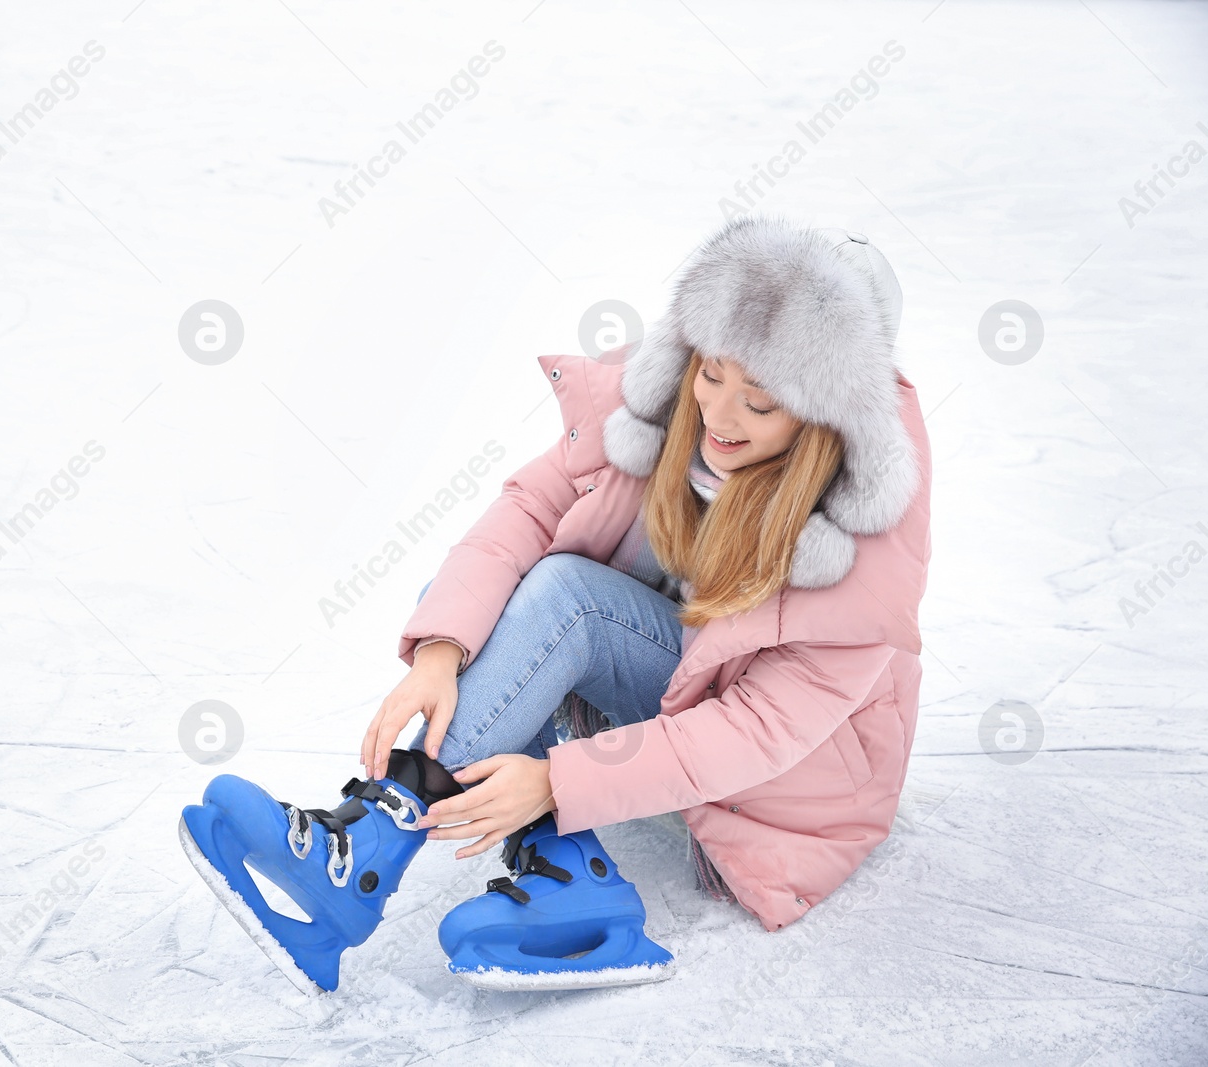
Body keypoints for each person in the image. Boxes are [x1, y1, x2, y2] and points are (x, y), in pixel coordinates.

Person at [181, 214, 932, 992]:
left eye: (762, 400)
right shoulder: (663, 413)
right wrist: (440, 653)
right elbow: (526, 510)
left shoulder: (866, 548)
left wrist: (558, 782)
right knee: (491, 613)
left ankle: (368, 850)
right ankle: (573, 878)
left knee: (565, 602)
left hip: (791, 783)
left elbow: (756, 730)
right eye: (712, 372)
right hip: (672, 696)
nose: (718, 415)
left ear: (829, 417)